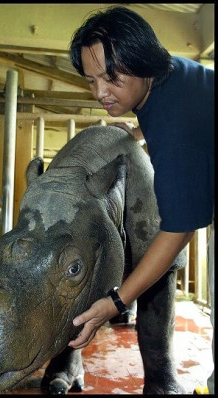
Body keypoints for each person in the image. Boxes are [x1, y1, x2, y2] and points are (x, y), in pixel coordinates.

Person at [66, 5, 214, 394]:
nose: (100, 92)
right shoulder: (169, 77)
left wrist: (115, 301)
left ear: (142, 60)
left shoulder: (173, 123)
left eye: (111, 77)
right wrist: (136, 133)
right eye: (92, 79)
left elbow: (179, 229)